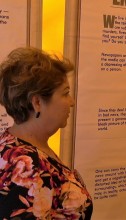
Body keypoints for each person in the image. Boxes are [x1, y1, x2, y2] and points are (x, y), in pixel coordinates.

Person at [0, 47, 93, 219]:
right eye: (65, 94)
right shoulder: (28, 168)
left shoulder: (12, 143)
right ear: (37, 102)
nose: (71, 102)